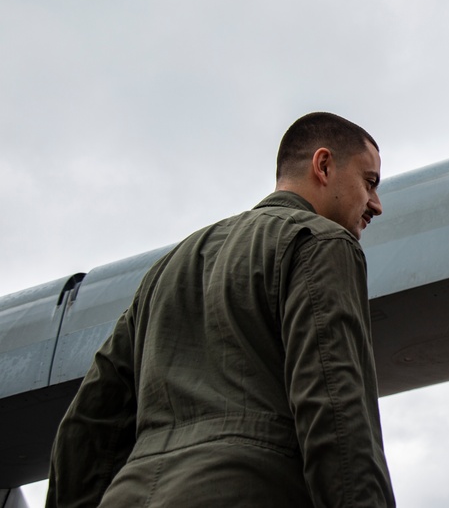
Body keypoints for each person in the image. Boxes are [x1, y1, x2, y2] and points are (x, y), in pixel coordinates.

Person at [46, 112, 395, 508]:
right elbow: (335, 409)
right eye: (369, 183)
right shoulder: (320, 242)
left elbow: (88, 425)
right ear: (324, 165)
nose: (376, 205)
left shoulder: (167, 269)